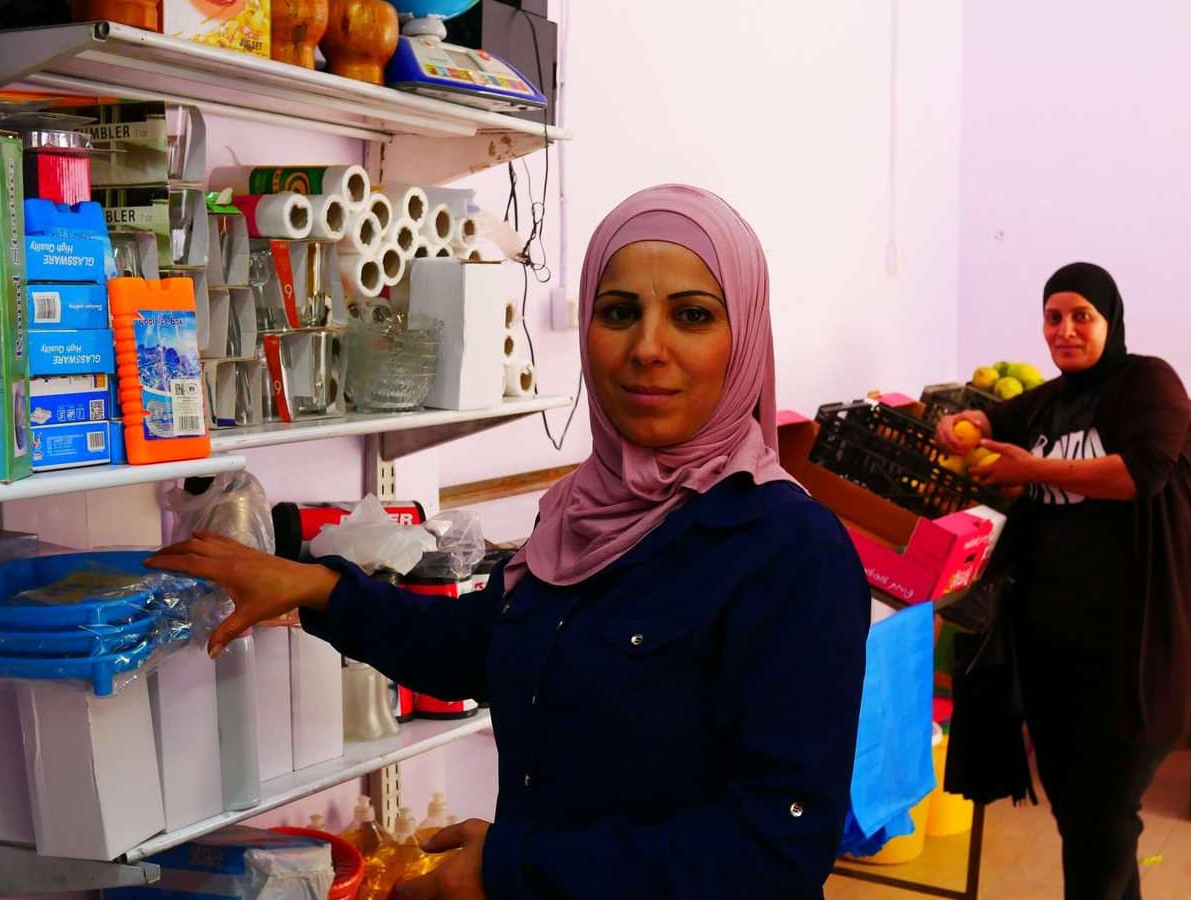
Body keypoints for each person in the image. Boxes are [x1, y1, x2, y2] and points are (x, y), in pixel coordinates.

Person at [149, 185, 870, 900]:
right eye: (619, 313)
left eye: (692, 316)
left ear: (742, 338)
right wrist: (318, 588)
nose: (649, 348)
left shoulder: (787, 549)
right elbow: (485, 645)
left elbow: (773, 852)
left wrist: (515, 871)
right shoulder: (587, 513)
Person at [935, 262, 1191, 900]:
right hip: (1055, 652)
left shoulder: (1149, 383)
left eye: (1081, 316)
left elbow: (1138, 473)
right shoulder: (1049, 401)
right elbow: (989, 424)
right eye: (1054, 317)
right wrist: (963, 427)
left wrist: (1034, 468)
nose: (1065, 330)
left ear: (1109, 321)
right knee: (1085, 819)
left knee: (1104, 817)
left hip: (1139, 650)